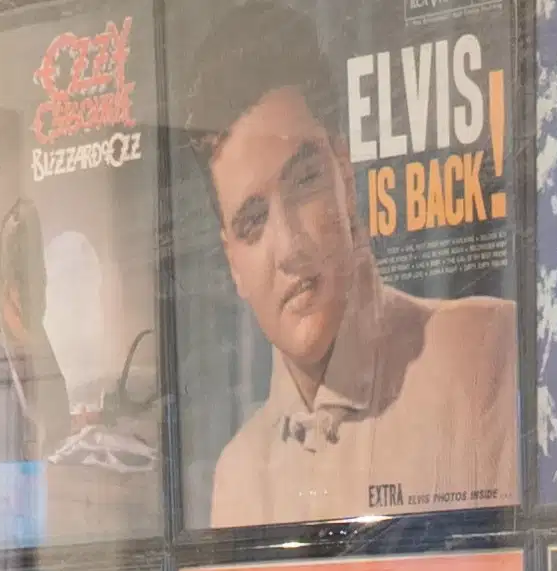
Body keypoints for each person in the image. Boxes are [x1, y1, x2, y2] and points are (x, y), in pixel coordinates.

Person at [184, 5, 516, 523]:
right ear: (232, 262)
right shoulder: (238, 478)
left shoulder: (484, 353)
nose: (290, 245)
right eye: (253, 221)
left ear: (346, 174)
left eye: (306, 181)